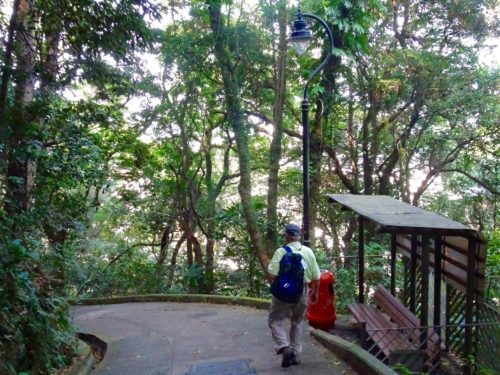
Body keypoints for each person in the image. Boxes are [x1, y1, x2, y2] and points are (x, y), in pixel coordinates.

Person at [267, 223, 321, 368]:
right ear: (299, 236)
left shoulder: (281, 251)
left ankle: (285, 348)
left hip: (283, 292)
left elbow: (272, 273)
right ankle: (295, 354)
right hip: (302, 291)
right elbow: (316, 276)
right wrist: (314, 292)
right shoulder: (308, 251)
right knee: (297, 322)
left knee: (275, 320)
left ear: (286, 236)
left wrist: (282, 286)